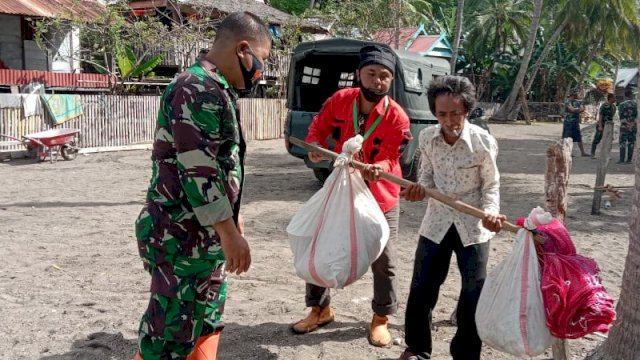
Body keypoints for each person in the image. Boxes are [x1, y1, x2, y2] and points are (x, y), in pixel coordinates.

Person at [133, 12, 271, 360]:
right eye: (262, 59)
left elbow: (223, 165)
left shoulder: (216, 89)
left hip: (202, 234)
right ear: (243, 49)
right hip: (181, 236)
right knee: (170, 335)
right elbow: (200, 170)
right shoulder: (194, 88)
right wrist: (228, 233)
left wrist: (232, 220)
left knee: (205, 321)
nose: (261, 70)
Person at [291, 44, 412, 347]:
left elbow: (392, 158)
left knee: (385, 258)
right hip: (341, 192)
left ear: (391, 81)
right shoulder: (341, 100)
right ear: (359, 74)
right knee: (321, 242)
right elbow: (318, 129)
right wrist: (315, 147)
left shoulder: (397, 117)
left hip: (380, 197)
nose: (377, 81)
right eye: (371, 74)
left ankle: (381, 318)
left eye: (384, 76)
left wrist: (378, 167)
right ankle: (320, 309)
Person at [398, 75, 506, 360]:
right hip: (436, 223)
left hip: (474, 226)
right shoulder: (427, 138)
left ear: (467, 111)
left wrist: (491, 213)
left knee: (473, 293)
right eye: (442, 113)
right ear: (435, 112)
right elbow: (427, 176)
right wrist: (420, 190)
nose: (449, 120)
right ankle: (417, 348)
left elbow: (491, 184)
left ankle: (466, 354)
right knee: (422, 287)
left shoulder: (483, 142)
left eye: (455, 113)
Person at [562, 90, 589, 156]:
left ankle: (583, 153)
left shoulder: (577, 102)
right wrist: (578, 110)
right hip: (569, 122)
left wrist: (576, 110)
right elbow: (572, 110)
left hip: (575, 122)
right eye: (576, 94)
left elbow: (582, 109)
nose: (578, 95)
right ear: (573, 95)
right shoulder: (567, 101)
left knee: (579, 137)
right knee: (568, 138)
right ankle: (568, 153)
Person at [591, 93, 617, 158]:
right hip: (602, 124)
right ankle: (592, 153)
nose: (615, 99)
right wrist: (600, 126)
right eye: (614, 97)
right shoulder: (604, 106)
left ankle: (606, 155)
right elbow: (600, 115)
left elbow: (612, 116)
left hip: (609, 126)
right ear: (610, 98)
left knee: (608, 140)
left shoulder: (613, 106)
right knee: (597, 139)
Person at [617, 88, 637, 164]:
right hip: (633, 127)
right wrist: (632, 124)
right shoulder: (635, 105)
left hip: (624, 127)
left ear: (625, 95)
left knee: (622, 142)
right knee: (631, 143)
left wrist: (627, 124)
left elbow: (621, 117)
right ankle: (629, 160)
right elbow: (637, 116)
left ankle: (621, 160)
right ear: (631, 95)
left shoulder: (621, 105)